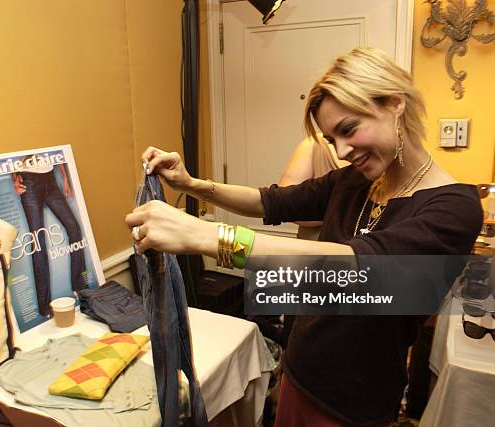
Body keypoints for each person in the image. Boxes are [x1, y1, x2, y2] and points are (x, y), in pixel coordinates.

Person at [125, 47, 483, 426]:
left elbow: (363, 266)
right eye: (332, 139)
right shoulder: (356, 181)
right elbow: (272, 201)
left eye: (349, 129)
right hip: (299, 371)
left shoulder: (454, 208)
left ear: (395, 104)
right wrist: (192, 184)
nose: (342, 152)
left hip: (351, 404)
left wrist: (209, 236)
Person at [12, 156, 88, 317]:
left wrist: (65, 177)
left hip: (51, 178)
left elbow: (54, 152)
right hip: (29, 181)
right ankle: (44, 305)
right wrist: (14, 179)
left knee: (74, 228)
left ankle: (80, 286)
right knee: (38, 243)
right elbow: (10, 156)